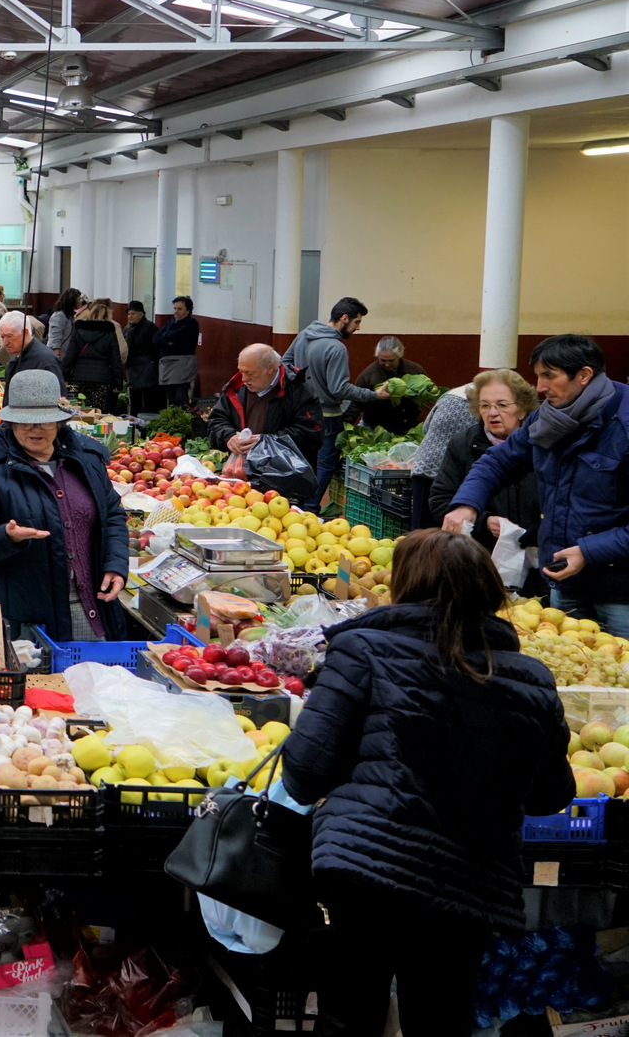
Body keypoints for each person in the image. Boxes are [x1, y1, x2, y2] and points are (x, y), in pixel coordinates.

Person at [280, 530, 571, 1036]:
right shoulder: (532, 679)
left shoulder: (362, 651)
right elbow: (551, 795)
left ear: (406, 583)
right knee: (440, 1020)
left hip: (364, 870)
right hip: (468, 884)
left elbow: (304, 774)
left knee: (348, 1016)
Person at [446, 335, 629, 632]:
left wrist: (588, 551)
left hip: (621, 594)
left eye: (549, 376)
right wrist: (467, 504)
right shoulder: (548, 420)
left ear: (584, 376)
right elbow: (497, 461)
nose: (539, 387)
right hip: (563, 580)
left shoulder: (623, 425)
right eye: (538, 376)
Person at [0, 368, 130, 642]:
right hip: (21, 620)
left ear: (58, 421)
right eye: (25, 422)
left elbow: (113, 516)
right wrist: (7, 536)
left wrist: (116, 564)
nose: (34, 429)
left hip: (88, 609)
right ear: (11, 422)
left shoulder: (86, 457)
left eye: (44, 421)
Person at [427, 370, 541, 586]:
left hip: (539, 559)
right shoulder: (463, 445)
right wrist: (485, 521)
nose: (492, 413)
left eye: (502, 405)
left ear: (523, 409)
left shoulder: (543, 444)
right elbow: (441, 501)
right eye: (485, 405)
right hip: (481, 561)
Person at [284, 297, 391, 507]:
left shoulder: (305, 334)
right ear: (344, 318)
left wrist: (300, 387)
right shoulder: (337, 348)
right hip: (327, 417)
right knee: (325, 464)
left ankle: (296, 508)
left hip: (299, 413)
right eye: (357, 322)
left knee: (303, 460)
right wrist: (374, 395)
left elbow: (285, 363)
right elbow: (339, 388)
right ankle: (310, 509)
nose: (358, 328)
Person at [207, 344, 323, 492]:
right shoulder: (236, 389)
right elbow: (216, 420)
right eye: (241, 372)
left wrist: (267, 442)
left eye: (250, 373)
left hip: (286, 483)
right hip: (241, 481)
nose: (244, 378)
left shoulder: (299, 390)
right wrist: (228, 436)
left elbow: (311, 435)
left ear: (269, 369)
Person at [410, 386, 475, 529]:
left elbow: (425, 427)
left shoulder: (451, 394)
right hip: (450, 473)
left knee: (421, 526)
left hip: (425, 464)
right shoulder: (480, 408)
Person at [60, 298, 125, 413]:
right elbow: (115, 359)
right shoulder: (110, 333)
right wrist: (118, 382)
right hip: (102, 380)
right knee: (97, 413)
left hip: (78, 377)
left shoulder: (78, 330)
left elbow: (70, 356)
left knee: (78, 411)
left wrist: (63, 376)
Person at [353, 335, 426, 435]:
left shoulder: (415, 370)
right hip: (378, 431)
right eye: (382, 360)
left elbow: (427, 396)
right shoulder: (368, 375)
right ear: (377, 356)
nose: (387, 364)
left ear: (400, 356)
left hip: (410, 429)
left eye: (391, 360)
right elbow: (355, 404)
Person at [152, 295, 200, 407]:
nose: (176, 311)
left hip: (182, 365)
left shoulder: (191, 323)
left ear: (187, 311)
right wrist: (168, 342)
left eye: (180, 309)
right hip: (168, 365)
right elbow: (156, 338)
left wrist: (165, 339)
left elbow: (177, 336)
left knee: (180, 395)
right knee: (170, 396)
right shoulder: (170, 322)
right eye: (175, 308)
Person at [0, 309, 64, 390]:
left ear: (25, 333)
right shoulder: (15, 358)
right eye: (2, 337)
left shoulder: (45, 360)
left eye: (9, 336)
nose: (5, 343)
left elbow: (58, 397)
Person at [123, 301, 161, 415]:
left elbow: (157, 346)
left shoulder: (150, 327)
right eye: (129, 314)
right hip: (133, 368)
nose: (130, 316)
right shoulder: (128, 329)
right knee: (135, 398)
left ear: (141, 314)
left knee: (149, 398)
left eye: (133, 313)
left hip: (147, 368)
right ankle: (135, 422)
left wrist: (152, 361)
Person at [47, 288, 82, 356]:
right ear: (72, 300)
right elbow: (56, 335)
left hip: (64, 352)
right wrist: (57, 353)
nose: (80, 302)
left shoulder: (69, 316)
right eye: (79, 299)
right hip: (56, 353)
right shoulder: (59, 315)